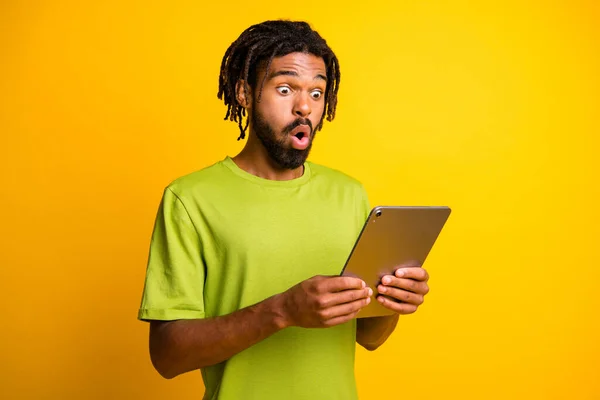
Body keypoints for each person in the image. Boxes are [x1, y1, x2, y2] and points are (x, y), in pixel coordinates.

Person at [138, 19, 430, 400]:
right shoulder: (189, 199)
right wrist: (283, 311)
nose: (304, 107)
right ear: (244, 93)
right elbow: (167, 355)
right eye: (285, 88)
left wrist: (393, 301)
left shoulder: (350, 194)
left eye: (317, 92)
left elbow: (369, 337)